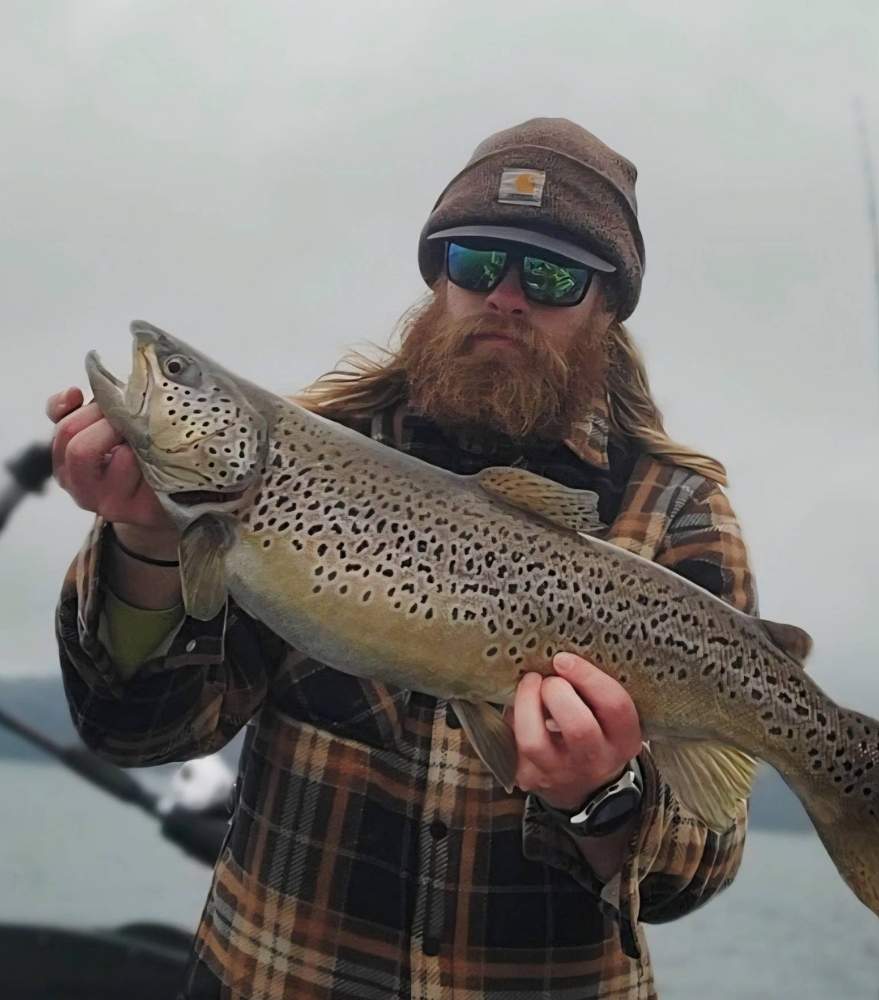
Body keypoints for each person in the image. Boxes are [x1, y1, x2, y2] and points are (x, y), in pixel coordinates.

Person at [48, 118, 758, 1000]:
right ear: (436, 279)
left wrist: (598, 800)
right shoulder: (314, 456)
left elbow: (698, 866)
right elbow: (137, 732)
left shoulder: (677, 509)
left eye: (549, 274)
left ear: (607, 307)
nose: (505, 296)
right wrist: (147, 546)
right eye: (474, 262)